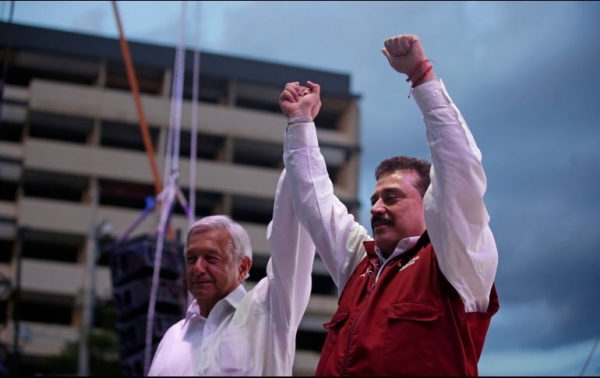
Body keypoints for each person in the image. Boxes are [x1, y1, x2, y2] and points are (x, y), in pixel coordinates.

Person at [277, 34, 499, 376]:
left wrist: (421, 77)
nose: (377, 208)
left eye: (392, 198)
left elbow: (459, 169)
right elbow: (315, 201)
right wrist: (300, 122)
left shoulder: (456, 261)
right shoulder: (359, 265)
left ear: (430, 205)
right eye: (374, 199)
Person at [147, 170, 316, 375]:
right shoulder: (173, 337)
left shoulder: (267, 312)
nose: (198, 268)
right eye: (191, 259)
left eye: (211, 258)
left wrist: (296, 147)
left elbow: (291, 238)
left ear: (243, 267)